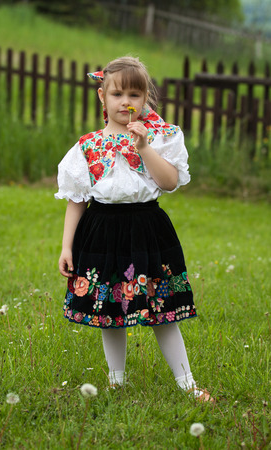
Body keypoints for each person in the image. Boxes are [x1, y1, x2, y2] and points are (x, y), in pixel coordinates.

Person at [55, 56, 213, 402]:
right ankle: (116, 381)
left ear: (145, 99)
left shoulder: (160, 137)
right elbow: (76, 200)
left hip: (147, 229)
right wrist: (67, 247)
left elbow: (169, 182)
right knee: (110, 312)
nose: (126, 102)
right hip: (102, 231)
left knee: (161, 311)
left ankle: (187, 384)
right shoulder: (88, 146)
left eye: (135, 95)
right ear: (102, 96)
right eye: (117, 94)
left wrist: (143, 147)